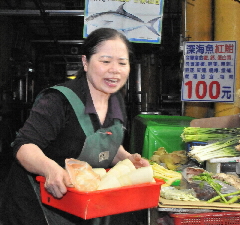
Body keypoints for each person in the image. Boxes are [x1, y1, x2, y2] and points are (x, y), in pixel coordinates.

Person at [0, 27, 150, 225]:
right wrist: (50, 169)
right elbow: (24, 145)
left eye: (122, 62)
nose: (114, 69)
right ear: (85, 62)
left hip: (79, 203)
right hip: (37, 204)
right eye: (105, 61)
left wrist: (128, 159)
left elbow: (105, 143)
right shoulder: (58, 100)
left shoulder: (117, 101)